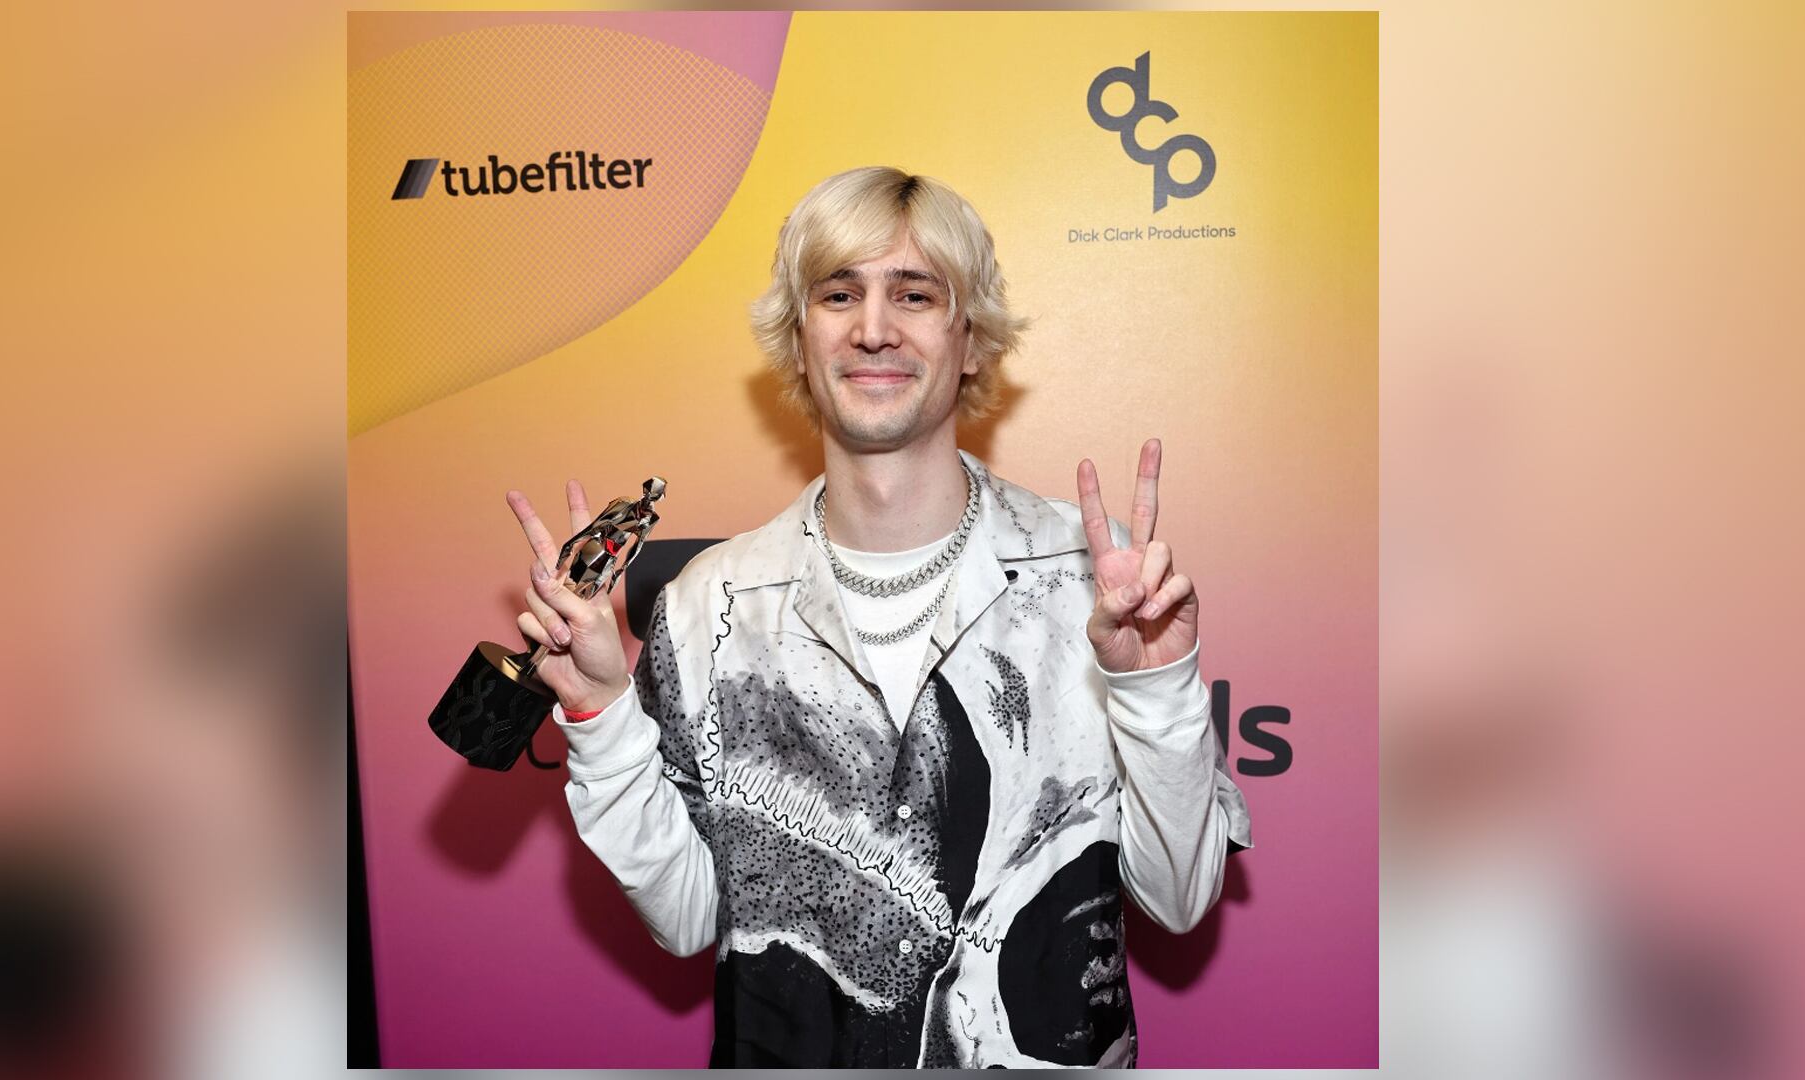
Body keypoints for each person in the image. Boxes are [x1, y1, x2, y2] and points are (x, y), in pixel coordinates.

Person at [506, 166, 1252, 1068]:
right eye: (839, 294)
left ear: (970, 339)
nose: (872, 329)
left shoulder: (1092, 578)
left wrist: (1156, 687)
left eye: (914, 294)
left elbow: (1179, 901)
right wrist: (599, 715)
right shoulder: (711, 601)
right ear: (799, 339)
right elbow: (689, 919)